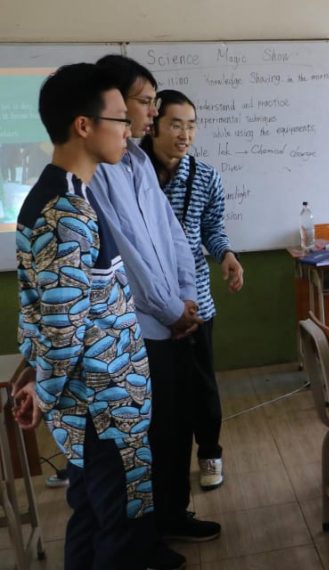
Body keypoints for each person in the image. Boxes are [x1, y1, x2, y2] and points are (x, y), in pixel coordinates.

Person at [13, 62, 169, 570]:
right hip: (102, 408)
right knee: (118, 530)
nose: (130, 130)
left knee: (92, 515)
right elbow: (62, 329)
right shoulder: (67, 214)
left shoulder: (67, 196)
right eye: (121, 119)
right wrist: (44, 389)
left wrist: (42, 382)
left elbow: (50, 311)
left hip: (99, 403)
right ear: (84, 125)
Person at [86, 55, 219, 554]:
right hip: (141, 328)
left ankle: (171, 512)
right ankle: (147, 535)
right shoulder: (100, 172)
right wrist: (169, 309)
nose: (150, 111)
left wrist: (187, 299)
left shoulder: (138, 162)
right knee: (145, 437)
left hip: (173, 320)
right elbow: (129, 254)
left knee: (174, 426)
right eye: (144, 102)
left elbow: (172, 240)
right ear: (114, 103)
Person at [141, 89, 244, 492]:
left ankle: (210, 453)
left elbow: (212, 229)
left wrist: (227, 255)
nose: (184, 134)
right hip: (148, 306)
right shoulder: (136, 176)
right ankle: (162, 470)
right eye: (175, 125)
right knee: (161, 394)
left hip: (196, 299)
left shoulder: (206, 177)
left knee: (201, 386)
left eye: (191, 126)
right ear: (153, 127)